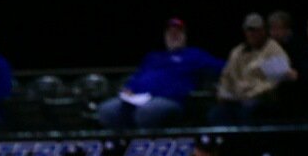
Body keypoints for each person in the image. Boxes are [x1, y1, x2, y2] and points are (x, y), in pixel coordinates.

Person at [96, 17, 224, 130]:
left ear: (185, 36)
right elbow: (137, 77)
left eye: (178, 32)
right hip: (139, 98)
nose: (173, 35)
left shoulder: (194, 55)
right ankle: (122, 146)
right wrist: (129, 88)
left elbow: (222, 67)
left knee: (146, 112)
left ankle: (147, 147)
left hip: (170, 100)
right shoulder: (153, 56)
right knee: (107, 110)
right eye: (170, 33)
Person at [208, 13, 291, 125]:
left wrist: (250, 93)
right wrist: (223, 93)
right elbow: (226, 77)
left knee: (249, 109)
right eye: (249, 30)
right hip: (236, 98)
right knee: (216, 114)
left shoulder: (275, 50)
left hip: (261, 99)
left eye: (255, 30)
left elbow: (275, 83)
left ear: (263, 31)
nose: (252, 33)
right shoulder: (237, 52)